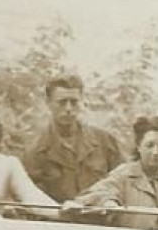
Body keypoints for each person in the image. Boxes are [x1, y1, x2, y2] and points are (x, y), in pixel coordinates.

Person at [21, 74, 125, 203]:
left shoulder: (105, 142)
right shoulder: (34, 151)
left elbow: (123, 182)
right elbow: (30, 196)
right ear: (48, 103)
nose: (69, 108)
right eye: (62, 102)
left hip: (100, 219)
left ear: (81, 101)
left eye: (74, 102)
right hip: (56, 220)